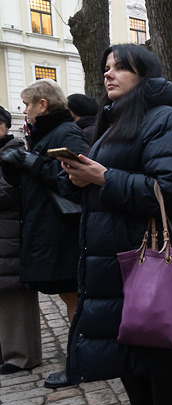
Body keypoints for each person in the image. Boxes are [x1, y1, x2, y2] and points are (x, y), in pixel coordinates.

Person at [57, 44, 172, 405]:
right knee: (127, 337)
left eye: (121, 67)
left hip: (149, 253)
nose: (109, 74)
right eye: (106, 68)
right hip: (116, 253)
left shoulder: (167, 118)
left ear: (145, 73)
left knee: (158, 341)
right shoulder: (115, 118)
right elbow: (109, 182)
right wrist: (78, 174)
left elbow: (170, 189)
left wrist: (102, 176)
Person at [0, 80, 89, 382]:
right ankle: (81, 359)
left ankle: (82, 363)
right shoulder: (47, 134)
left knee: (75, 299)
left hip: (64, 232)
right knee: (71, 298)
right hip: (52, 232)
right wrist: (19, 169)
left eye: (26, 104)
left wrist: (32, 162)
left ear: (42, 104)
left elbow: (77, 181)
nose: (23, 111)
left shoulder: (66, 132)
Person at [0, 106, 42, 375]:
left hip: (11, 234)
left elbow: (12, 191)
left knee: (15, 298)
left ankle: (20, 355)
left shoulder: (14, 152)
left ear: (4, 126)